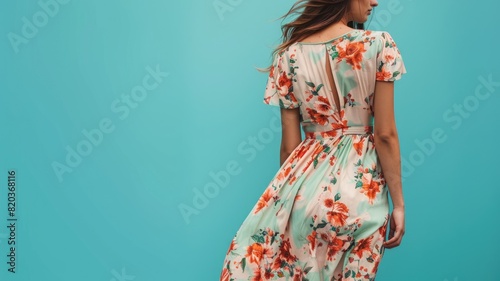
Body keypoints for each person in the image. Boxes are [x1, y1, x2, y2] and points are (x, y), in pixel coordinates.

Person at [220, 0, 406, 280]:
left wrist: (287, 204)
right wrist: (399, 203)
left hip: (306, 196)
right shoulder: (379, 44)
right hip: (361, 195)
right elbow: (385, 134)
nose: (375, 2)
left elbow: (289, 146)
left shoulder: (289, 55)